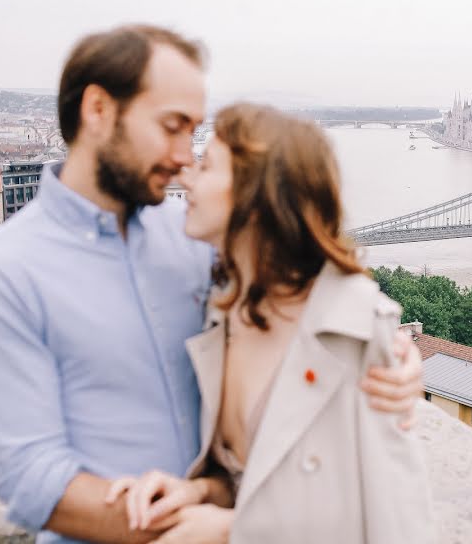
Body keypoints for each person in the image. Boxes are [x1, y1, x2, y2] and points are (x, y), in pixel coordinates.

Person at [0, 25, 425, 544]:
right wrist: (212, 532)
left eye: (195, 132)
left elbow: (309, 300)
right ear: (99, 110)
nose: (182, 157)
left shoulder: (199, 240)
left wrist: (388, 352)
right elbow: (34, 483)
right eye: (172, 127)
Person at [106, 104, 433, 543]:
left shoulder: (354, 331)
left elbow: (395, 523)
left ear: (255, 196)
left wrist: (228, 532)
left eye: (206, 166)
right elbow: (253, 479)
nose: (186, 177)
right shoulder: (226, 311)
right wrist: (198, 489)